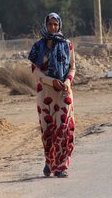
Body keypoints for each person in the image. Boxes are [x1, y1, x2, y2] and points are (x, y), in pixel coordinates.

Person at [28, 12, 76, 178]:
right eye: (50, 24)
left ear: (60, 26)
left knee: (64, 128)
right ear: (45, 25)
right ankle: (50, 162)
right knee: (47, 129)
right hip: (45, 92)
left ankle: (62, 165)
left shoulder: (67, 45)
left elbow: (72, 68)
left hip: (64, 91)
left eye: (56, 24)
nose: (53, 27)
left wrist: (67, 83)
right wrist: (50, 81)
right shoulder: (38, 46)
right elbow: (35, 70)